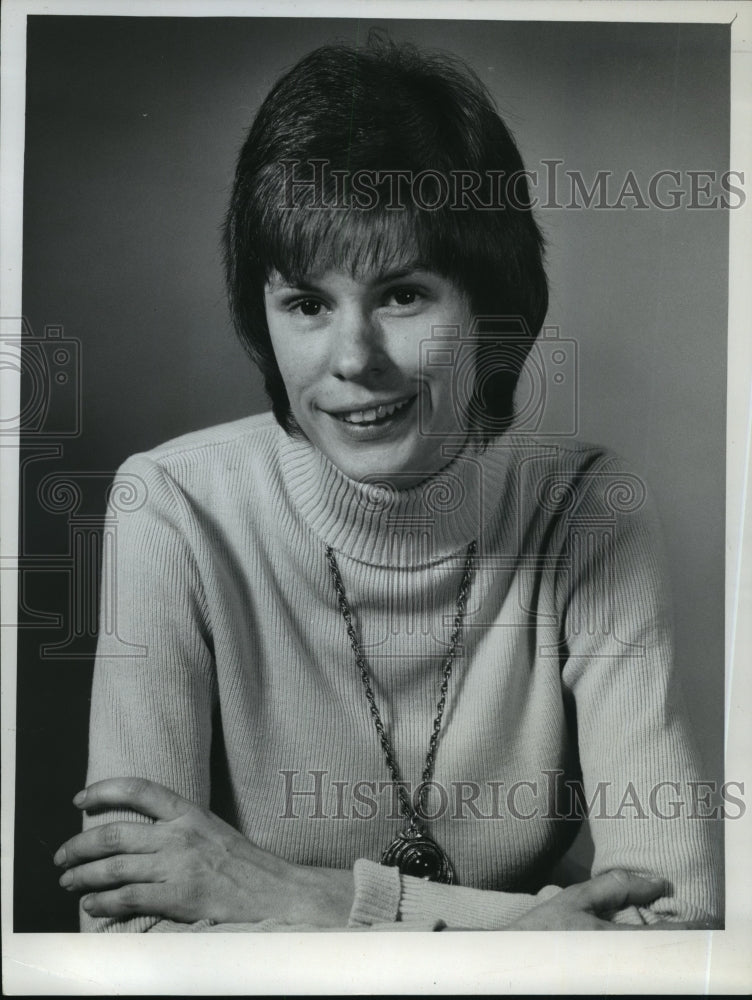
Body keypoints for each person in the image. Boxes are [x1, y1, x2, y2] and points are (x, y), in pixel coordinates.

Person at [54, 36, 722, 932]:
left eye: (403, 295)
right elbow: (131, 935)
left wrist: (308, 896)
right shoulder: (170, 509)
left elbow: (675, 932)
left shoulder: (589, 514)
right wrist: (519, 932)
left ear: (492, 305)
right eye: (307, 304)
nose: (353, 361)